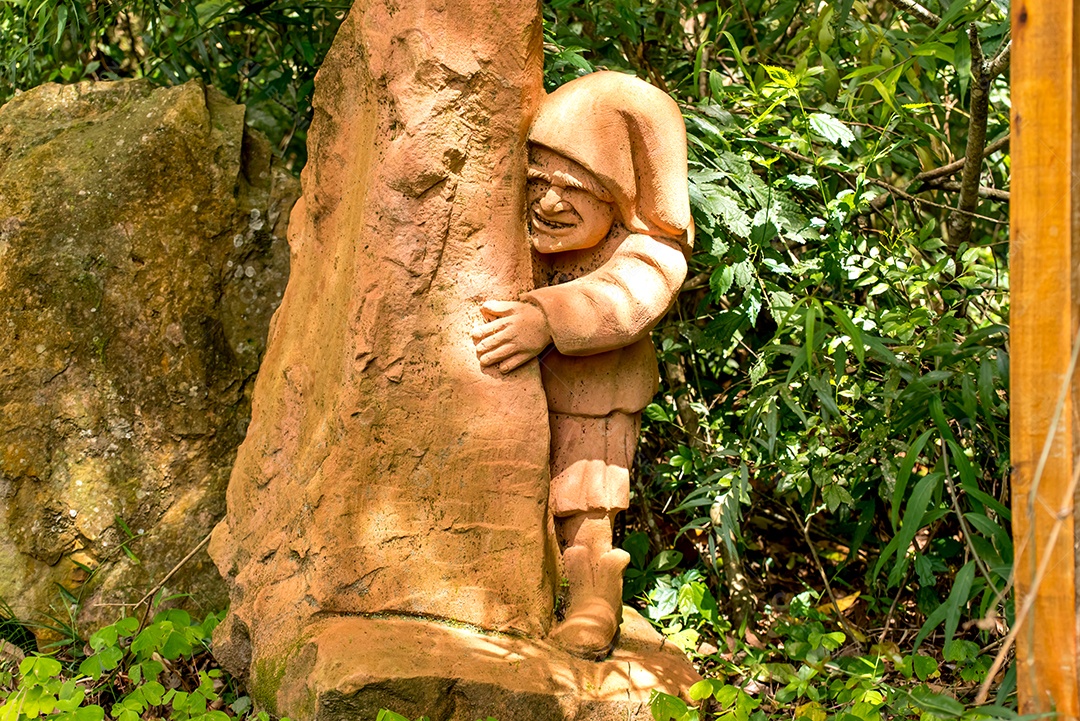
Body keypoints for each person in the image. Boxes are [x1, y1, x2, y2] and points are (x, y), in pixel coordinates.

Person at [472, 71, 693, 659]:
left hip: (594, 397)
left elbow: (630, 296)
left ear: (617, 196)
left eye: (573, 188)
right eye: (538, 182)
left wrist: (548, 318)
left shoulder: (645, 252)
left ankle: (593, 600)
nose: (548, 201)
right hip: (509, 401)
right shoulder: (514, 231)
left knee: (586, 501)